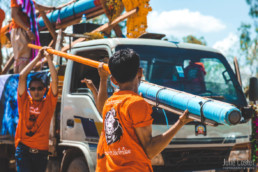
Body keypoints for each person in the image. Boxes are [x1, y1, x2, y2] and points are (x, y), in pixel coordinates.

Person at [95, 49, 193, 172]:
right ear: (140, 72)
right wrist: (180, 123)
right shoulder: (136, 103)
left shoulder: (110, 103)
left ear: (114, 80)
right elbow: (150, 150)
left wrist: (103, 79)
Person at [15, 47, 58, 172]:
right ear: (29, 91)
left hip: (41, 153)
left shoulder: (48, 104)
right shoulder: (24, 102)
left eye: (40, 88)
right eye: (33, 89)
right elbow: (22, 76)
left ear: (44, 90)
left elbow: (54, 80)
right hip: (23, 151)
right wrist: (38, 58)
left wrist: (48, 59)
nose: (36, 91)